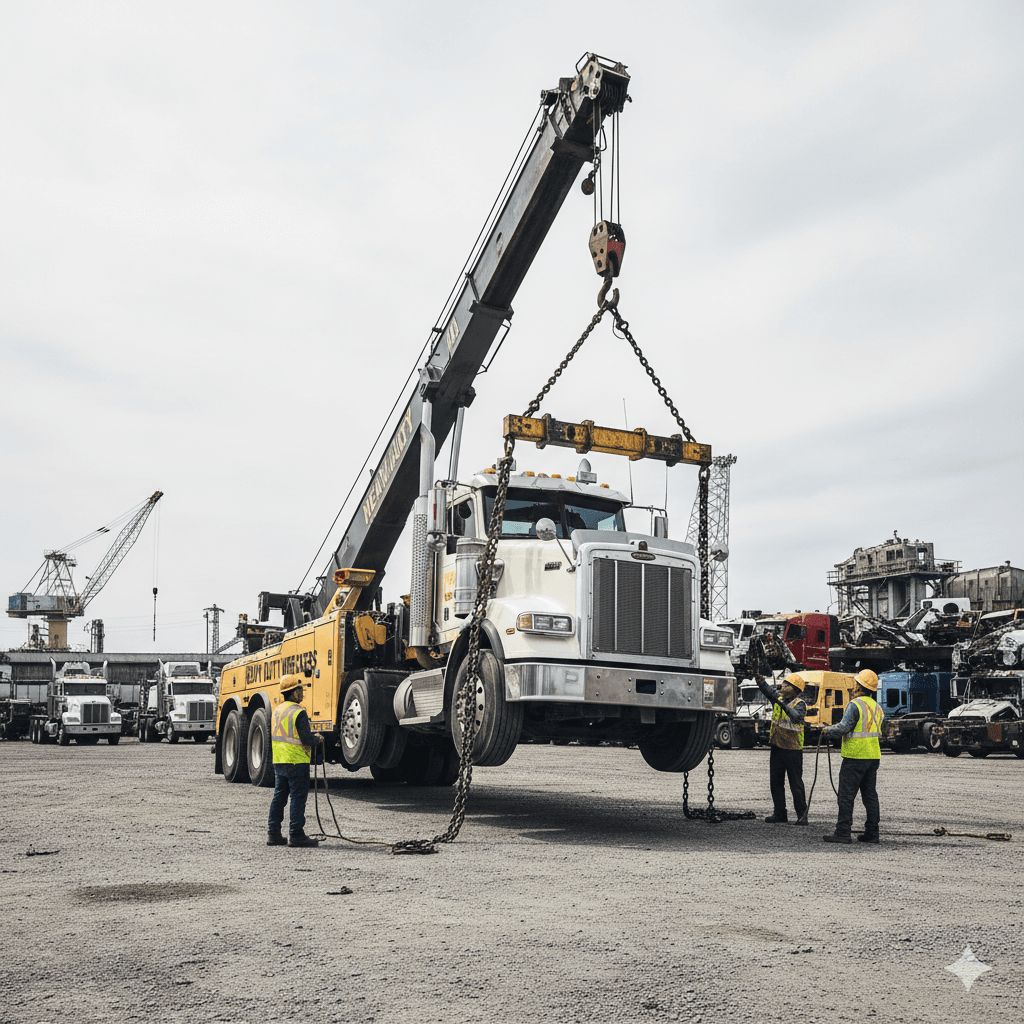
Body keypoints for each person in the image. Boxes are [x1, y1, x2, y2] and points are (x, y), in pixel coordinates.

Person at [821, 669, 882, 845]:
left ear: (859, 686)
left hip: (856, 756)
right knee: (870, 796)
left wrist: (826, 730)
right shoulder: (877, 707)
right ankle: (872, 833)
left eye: (856, 683)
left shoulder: (855, 705)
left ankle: (843, 832)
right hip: (873, 756)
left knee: (846, 796)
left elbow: (843, 728)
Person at [267, 676, 324, 848]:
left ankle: (273, 834)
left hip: (280, 760)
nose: (302, 693)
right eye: (300, 690)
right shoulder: (299, 711)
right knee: (298, 798)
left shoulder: (277, 710)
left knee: (279, 797)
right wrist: (318, 739)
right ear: (293, 692)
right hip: (296, 761)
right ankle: (296, 834)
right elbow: (306, 738)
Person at [755, 672, 809, 825]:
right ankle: (780, 813)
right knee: (776, 782)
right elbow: (769, 692)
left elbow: (795, 717)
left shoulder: (800, 704)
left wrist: (781, 704)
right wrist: (761, 682)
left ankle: (802, 815)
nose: (782, 686)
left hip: (793, 749)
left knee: (796, 783)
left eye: (786, 685)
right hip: (777, 746)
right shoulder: (779, 699)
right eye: (783, 684)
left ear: (794, 690)